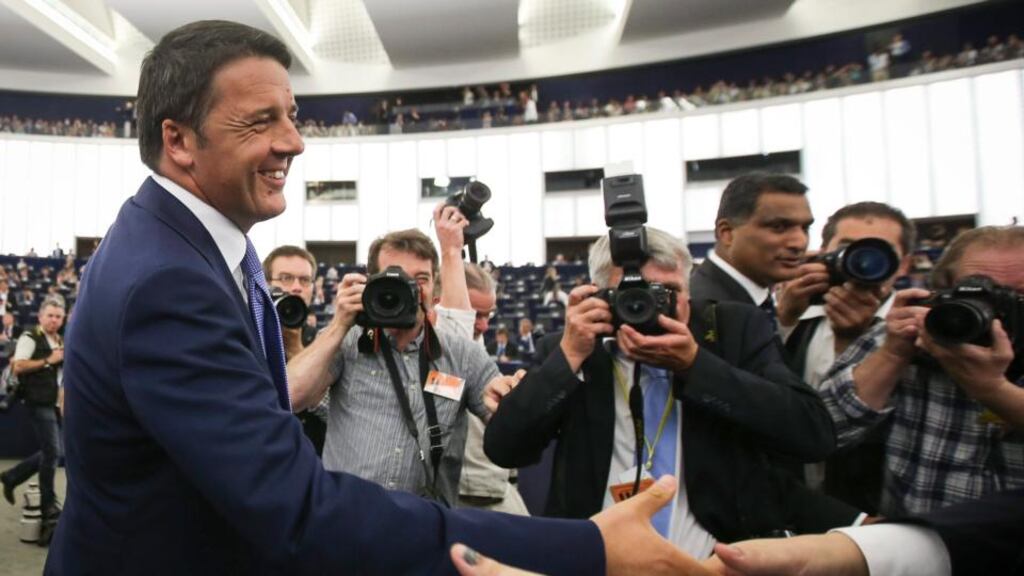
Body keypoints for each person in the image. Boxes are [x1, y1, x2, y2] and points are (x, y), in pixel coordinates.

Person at [49, 20, 697, 575]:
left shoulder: (198, 244)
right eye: (260, 121)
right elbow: (295, 506)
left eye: (293, 117)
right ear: (179, 140)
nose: (294, 142)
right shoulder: (171, 280)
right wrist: (585, 546)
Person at [485, 227, 856, 559]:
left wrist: (695, 365)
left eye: (668, 293)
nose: (648, 307)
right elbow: (505, 448)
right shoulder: (572, 348)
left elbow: (813, 433)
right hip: (598, 560)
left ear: (689, 294)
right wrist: (569, 357)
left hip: (712, 561)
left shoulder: (732, 331)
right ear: (600, 296)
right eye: (633, 294)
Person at [819, 225, 1024, 517]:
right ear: (943, 290)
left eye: (1017, 296)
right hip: (920, 547)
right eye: (981, 294)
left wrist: (993, 390)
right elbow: (822, 432)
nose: (996, 312)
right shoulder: (909, 335)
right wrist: (893, 353)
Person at [775, 202, 915, 510]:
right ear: (825, 251)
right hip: (793, 497)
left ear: (903, 265)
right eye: (850, 248)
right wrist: (784, 317)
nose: (863, 261)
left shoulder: (915, 331)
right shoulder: (802, 315)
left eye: (880, 251)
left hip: (870, 509)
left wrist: (855, 342)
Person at [690, 172, 814, 321]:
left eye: (805, 228)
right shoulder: (701, 310)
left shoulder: (755, 303)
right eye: (779, 227)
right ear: (727, 233)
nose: (799, 242)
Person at [1, 297, 65, 539]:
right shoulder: (30, 337)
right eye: (50, 315)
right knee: (53, 452)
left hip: (52, 403)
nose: (54, 320)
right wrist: (49, 360)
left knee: (54, 451)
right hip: (36, 402)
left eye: (58, 316)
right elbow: (18, 366)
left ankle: (12, 476)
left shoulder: (59, 340)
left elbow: (60, 377)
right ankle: (49, 505)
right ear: (40, 317)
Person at [263, 244, 326, 454]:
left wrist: (294, 346)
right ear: (265, 283)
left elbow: (327, 407)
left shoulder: (324, 341)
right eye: (286, 278)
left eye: (304, 280)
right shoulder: (248, 334)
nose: (297, 287)